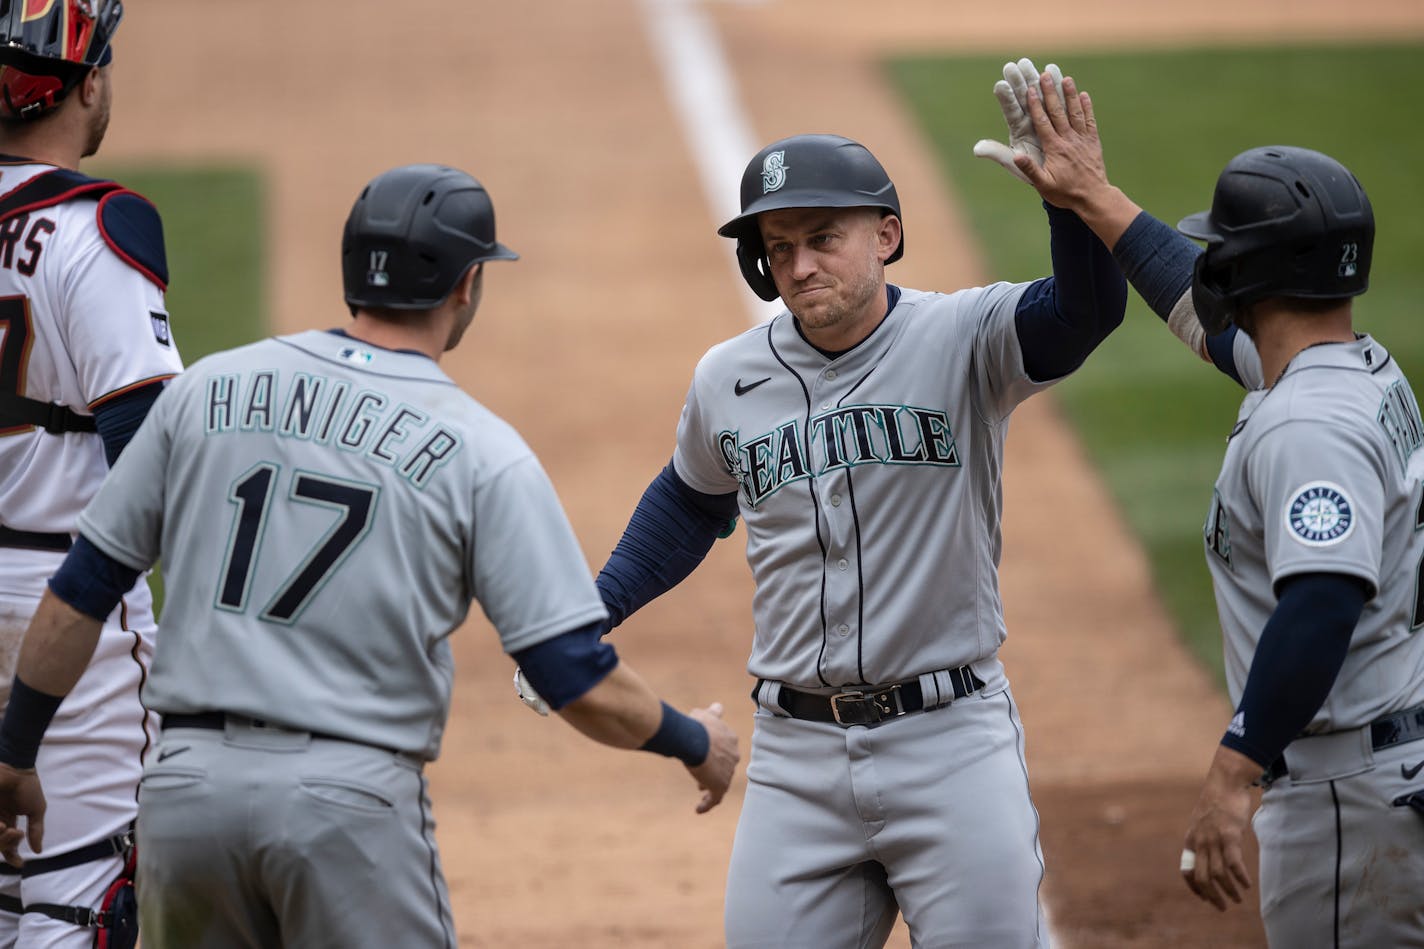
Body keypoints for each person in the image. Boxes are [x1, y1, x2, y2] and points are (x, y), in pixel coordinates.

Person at [0, 162, 740, 948]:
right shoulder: (481, 449)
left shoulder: (205, 390)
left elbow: (82, 586)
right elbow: (570, 673)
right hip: (345, 806)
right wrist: (693, 740)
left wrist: (15, 749)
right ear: (465, 289)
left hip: (186, 797)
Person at [578, 59, 1126, 945]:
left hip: (950, 746)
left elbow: (1082, 316)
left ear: (887, 235)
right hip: (796, 760)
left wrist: (1074, 204)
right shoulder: (729, 379)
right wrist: (592, 610)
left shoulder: (965, 337)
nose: (798, 265)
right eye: (777, 248)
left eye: (822, 237)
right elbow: (688, 504)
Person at [999, 61, 1424, 945]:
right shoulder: (1358, 368)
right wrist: (1092, 195)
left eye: (1222, 251)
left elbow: (1319, 602)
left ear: (1249, 270)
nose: (1209, 263)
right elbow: (1202, 312)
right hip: (1393, 756)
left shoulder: (1305, 425)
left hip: (1350, 797)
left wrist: (1235, 771)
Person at [0, 2, 183, 946]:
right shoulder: (97, 228)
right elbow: (151, 467)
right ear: (87, 82)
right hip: (70, 610)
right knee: (79, 903)